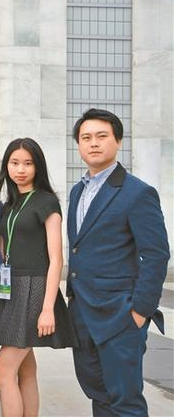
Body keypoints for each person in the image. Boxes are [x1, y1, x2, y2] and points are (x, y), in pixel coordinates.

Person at [67, 109, 169, 416]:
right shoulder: (77, 191)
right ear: (79, 144)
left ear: (118, 141)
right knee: (98, 395)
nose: (93, 143)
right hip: (83, 315)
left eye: (102, 136)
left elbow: (156, 254)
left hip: (120, 316)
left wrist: (139, 312)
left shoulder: (138, 193)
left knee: (125, 402)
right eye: (86, 137)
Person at [0, 138, 77, 417]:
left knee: (2, 370)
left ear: (38, 167)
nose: (20, 169)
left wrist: (47, 309)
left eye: (28, 163)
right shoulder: (10, 204)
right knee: (26, 369)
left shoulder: (47, 201)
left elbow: (56, 259)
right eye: (14, 163)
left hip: (35, 289)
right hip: (11, 287)